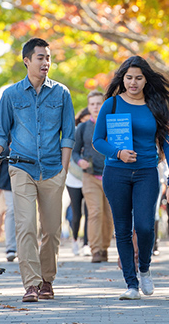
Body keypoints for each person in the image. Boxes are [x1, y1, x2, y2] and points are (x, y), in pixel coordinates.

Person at [0, 37, 75, 302]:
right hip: (21, 168)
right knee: (25, 226)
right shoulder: (11, 95)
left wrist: (64, 170)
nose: (46, 62)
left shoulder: (61, 93)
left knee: (51, 230)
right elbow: (0, 133)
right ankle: (32, 284)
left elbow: (68, 134)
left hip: (52, 169)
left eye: (48, 57)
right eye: (40, 58)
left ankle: (47, 280)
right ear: (27, 60)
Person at [93, 55, 169, 300]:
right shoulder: (111, 104)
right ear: (122, 79)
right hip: (116, 173)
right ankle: (131, 285)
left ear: (145, 80)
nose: (133, 82)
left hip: (146, 172)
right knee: (122, 230)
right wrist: (117, 152)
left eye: (138, 78)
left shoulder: (156, 105)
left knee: (144, 226)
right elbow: (97, 140)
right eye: (128, 77)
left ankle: (144, 268)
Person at [73, 91, 114, 263]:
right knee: (95, 212)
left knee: (108, 215)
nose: (96, 107)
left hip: (111, 176)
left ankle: (104, 248)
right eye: (92, 104)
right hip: (90, 176)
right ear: (88, 107)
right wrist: (79, 161)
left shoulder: (112, 124)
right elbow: (75, 152)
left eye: (99, 103)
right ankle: (95, 250)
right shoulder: (82, 128)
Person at [66, 107, 91, 257]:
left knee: (90, 212)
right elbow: (69, 154)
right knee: (77, 213)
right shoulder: (75, 131)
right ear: (80, 119)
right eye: (85, 118)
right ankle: (75, 240)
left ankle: (86, 244)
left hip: (89, 177)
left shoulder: (94, 130)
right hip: (73, 179)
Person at [0, 146, 17, 262]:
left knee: (25, 212)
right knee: (11, 210)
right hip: (8, 179)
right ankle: (11, 247)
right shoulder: (8, 130)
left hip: (31, 175)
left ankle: (25, 247)